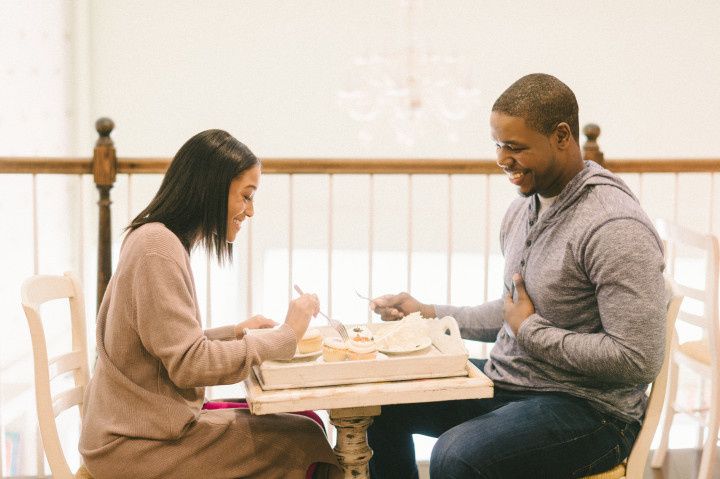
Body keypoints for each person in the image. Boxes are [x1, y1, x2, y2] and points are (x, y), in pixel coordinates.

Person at [368, 73, 667, 478]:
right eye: (497, 144)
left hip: (593, 412)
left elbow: (637, 359)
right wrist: (428, 312)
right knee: (376, 406)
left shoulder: (614, 227)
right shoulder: (525, 209)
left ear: (561, 136)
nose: (501, 159)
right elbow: (514, 312)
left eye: (515, 147)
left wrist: (530, 332)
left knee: (457, 455)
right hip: (512, 384)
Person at [79, 130, 341, 479]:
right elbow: (189, 364)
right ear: (212, 189)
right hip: (135, 445)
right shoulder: (157, 248)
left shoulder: (154, 239)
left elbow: (164, 345)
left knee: (307, 420)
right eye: (246, 196)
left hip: (143, 429)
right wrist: (286, 335)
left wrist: (234, 334)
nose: (251, 211)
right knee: (306, 441)